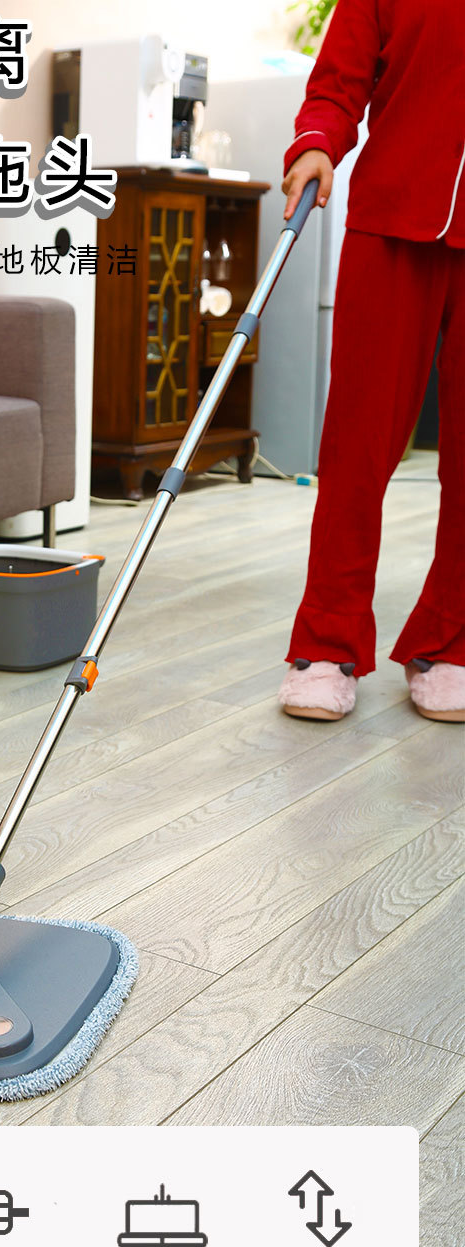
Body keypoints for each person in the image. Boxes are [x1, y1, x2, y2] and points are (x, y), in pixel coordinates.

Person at [277, 0, 465, 723]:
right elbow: (338, 80)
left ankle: (451, 640)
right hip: (391, 217)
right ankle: (327, 643)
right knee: (358, 444)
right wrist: (317, 142)